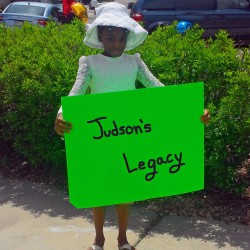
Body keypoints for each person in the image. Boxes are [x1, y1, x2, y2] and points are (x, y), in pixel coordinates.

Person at [54, 3, 210, 250]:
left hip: (129, 137)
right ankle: (98, 239)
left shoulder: (134, 62)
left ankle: (123, 239)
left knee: (125, 190)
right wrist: (62, 114)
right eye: (110, 38)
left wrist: (192, 110)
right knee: (100, 190)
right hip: (101, 136)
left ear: (127, 36)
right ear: (101, 37)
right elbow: (75, 93)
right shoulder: (89, 63)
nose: (116, 44)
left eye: (120, 38)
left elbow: (160, 90)